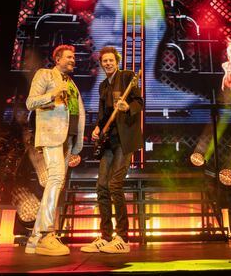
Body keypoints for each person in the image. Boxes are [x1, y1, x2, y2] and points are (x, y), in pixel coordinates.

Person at [80, 46, 144, 254]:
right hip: (108, 141)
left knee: (115, 184)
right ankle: (106, 236)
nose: (108, 63)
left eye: (111, 60)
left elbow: (139, 102)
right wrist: (97, 128)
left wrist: (128, 107)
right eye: (104, 61)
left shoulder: (127, 77)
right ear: (101, 64)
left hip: (124, 141)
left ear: (117, 62)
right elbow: (103, 113)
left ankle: (122, 238)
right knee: (102, 186)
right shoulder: (103, 86)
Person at [24, 44, 85, 256]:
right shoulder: (45, 74)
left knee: (56, 184)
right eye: (69, 57)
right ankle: (45, 234)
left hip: (68, 139)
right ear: (57, 59)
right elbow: (30, 102)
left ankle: (35, 240)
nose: (73, 60)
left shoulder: (71, 83)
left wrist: (77, 143)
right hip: (51, 135)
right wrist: (52, 94)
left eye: (74, 57)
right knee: (56, 179)